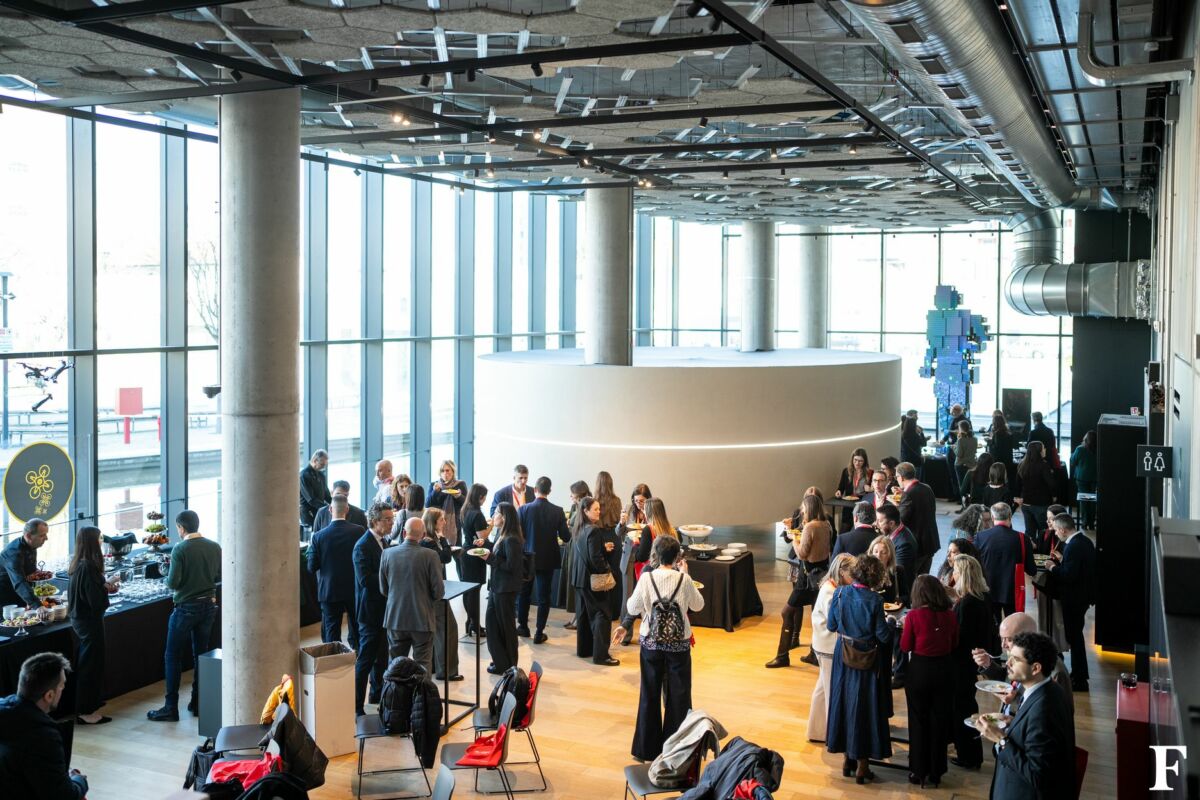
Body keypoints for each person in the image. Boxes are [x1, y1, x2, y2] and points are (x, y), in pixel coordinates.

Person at [622, 535, 704, 762]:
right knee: (679, 695)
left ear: (656, 555)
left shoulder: (647, 578)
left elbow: (632, 607)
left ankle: (646, 749)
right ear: (677, 557)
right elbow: (699, 605)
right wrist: (686, 575)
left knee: (649, 693)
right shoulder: (683, 579)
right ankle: (677, 748)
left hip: (651, 643)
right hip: (679, 645)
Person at [974, 631, 1075, 799]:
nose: (1008, 663)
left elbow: (1038, 775)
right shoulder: (1049, 689)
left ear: (1035, 668)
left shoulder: (1044, 708)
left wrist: (1001, 739)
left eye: (1016, 659)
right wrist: (1013, 722)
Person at [825, 554, 892, 785]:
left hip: (843, 656)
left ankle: (847, 760)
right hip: (866, 659)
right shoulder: (875, 600)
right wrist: (891, 624)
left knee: (844, 704)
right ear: (876, 576)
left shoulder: (839, 593)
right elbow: (883, 636)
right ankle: (863, 765)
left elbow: (832, 625)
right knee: (864, 708)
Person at [148, 510, 220, 721]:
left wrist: (164, 577)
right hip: (209, 605)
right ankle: (198, 702)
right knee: (201, 654)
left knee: (172, 656)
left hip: (186, 607)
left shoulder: (180, 549)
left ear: (181, 527)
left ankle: (171, 707)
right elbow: (218, 575)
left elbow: (173, 582)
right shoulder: (214, 546)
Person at [0, 652, 88, 798]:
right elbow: (64, 796)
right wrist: (80, 780)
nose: (63, 690)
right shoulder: (44, 736)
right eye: (62, 686)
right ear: (49, 695)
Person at [900, 574, 959, 789]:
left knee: (918, 721)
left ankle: (918, 770)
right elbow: (954, 643)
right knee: (939, 721)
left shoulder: (914, 616)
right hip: (944, 669)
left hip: (920, 671)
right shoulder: (950, 615)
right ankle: (936, 771)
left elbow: (905, 646)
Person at [766, 494, 831, 669]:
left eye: (803, 509)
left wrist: (794, 537)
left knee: (786, 613)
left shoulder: (810, 526)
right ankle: (814, 653)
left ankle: (782, 656)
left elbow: (802, 554)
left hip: (806, 577)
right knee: (817, 615)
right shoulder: (826, 525)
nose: (802, 512)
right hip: (821, 576)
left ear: (808, 509)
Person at [971, 612, 1074, 715]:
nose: (1003, 645)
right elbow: (1008, 679)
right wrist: (988, 664)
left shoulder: (1055, 672)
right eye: (1002, 638)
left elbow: (1054, 715)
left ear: (1028, 637)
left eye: (1009, 639)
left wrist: (1015, 703)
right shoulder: (1018, 653)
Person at [948, 554, 997, 769]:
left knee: (962, 708)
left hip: (961, 662)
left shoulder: (967, 604)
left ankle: (968, 755)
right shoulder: (981, 597)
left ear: (964, 574)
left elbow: (961, 637)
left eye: (956, 571)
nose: (953, 574)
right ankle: (969, 752)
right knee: (966, 704)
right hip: (970, 661)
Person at [379, 517, 445, 677]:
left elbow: (383, 589)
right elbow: (438, 592)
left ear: (403, 533)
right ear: (423, 535)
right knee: (422, 666)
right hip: (422, 620)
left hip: (395, 619)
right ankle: (421, 694)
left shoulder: (387, 554)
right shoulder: (431, 555)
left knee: (395, 666)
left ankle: (394, 694)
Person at [68, 526, 115, 725]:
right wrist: (107, 587)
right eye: (99, 538)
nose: (102, 541)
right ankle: (86, 711)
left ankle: (89, 703)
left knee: (88, 661)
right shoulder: (88, 567)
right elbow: (95, 601)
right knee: (91, 664)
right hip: (89, 620)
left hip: (81, 619)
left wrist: (104, 585)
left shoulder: (79, 563)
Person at [516, 476, 571, 643]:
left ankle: (523, 627)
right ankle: (539, 632)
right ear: (550, 491)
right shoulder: (558, 511)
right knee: (544, 597)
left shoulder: (523, 509)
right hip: (548, 558)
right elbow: (566, 537)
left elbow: (518, 535)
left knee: (524, 593)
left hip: (527, 556)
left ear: (535, 490)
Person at [807, 553, 856, 743]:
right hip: (827, 646)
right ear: (842, 572)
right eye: (852, 573)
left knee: (822, 689)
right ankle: (833, 735)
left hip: (824, 644)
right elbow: (835, 620)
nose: (855, 577)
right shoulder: (830, 591)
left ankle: (817, 731)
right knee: (830, 691)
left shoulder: (832, 587)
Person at [1045, 513, 1097, 691]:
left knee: (1074, 638)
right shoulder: (1084, 541)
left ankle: (1080, 678)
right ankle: (1078, 675)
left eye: (1056, 530)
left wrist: (1052, 567)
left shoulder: (1073, 546)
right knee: (1075, 637)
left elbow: (1069, 575)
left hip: (1074, 599)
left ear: (1062, 529)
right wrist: (1062, 559)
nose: (1055, 534)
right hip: (1083, 597)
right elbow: (1079, 567)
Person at [307, 495, 366, 650]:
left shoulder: (318, 536)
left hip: (329, 590)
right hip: (353, 589)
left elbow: (311, 567)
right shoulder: (359, 531)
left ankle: (334, 661)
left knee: (332, 631)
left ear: (330, 509)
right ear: (347, 509)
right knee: (357, 628)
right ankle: (358, 659)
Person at [353, 503, 394, 716]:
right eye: (387, 519)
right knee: (366, 661)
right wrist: (390, 577)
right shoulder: (362, 546)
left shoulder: (384, 542)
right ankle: (356, 706)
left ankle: (376, 697)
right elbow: (365, 580)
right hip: (370, 612)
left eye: (392, 518)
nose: (392, 522)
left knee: (382, 659)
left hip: (384, 610)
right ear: (375, 521)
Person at [571, 497, 621, 666]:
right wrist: (607, 571)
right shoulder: (593, 530)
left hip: (579, 579)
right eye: (595, 509)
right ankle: (601, 656)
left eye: (599, 509)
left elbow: (587, 553)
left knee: (584, 615)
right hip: (592, 580)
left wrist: (602, 548)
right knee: (603, 614)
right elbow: (595, 559)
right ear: (585, 511)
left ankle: (584, 650)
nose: (599, 512)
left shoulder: (579, 528)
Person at [617, 493, 667, 647]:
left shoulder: (649, 528)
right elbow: (618, 532)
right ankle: (656, 635)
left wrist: (637, 542)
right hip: (653, 567)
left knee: (639, 600)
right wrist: (622, 523)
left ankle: (644, 635)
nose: (639, 504)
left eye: (642, 502)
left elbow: (642, 554)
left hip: (646, 567)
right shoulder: (669, 528)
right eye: (636, 500)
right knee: (636, 600)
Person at [975, 503, 1036, 623]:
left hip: (988, 590)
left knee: (991, 626)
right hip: (1012, 592)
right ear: (1010, 516)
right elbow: (1031, 570)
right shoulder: (1022, 538)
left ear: (992, 517)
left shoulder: (980, 537)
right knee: (1013, 627)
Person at [483, 502, 524, 674]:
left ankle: (510, 666)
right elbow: (499, 554)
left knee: (506, 627)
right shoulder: (501, 534)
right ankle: (500, 662)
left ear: (505, 517)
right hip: (497, 587)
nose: (494, 516)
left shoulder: (512, 538)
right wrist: (485, 545)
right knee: (492, 625)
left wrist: (490, 558)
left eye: (497, 513)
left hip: (505, 589)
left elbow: (512, 566)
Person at [419, 508, 460, 681]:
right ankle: (447, 671)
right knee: (448, 629)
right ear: (433, 522)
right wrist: (443, 537)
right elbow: (445, 557)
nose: (444, 521)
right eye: (441, 519)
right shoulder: (428, 542)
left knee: (437, 630)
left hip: (430, 591)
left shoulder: (427, 539)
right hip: (435, 593)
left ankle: (437, 667)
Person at [459, 483, 491, 639]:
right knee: (474, 592)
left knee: (468, 591)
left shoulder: (465, 510)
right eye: (484, 497)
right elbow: (482, 537)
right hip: (475, 554)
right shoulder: (478, 514)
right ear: (480, 497)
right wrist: (491, 525)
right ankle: (475, 625)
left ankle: (470, 622)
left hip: (465, 552)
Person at [896, 461, 939, 576]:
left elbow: (901, 520)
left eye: (897, 477)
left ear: (901, 477)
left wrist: (897, 506)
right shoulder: (927, 488)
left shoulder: (908, 494)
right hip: (930, 542)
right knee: (924, 578)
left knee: (911, 579)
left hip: (917, 545)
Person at [1, 517, 50, 608]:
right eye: (42, 535)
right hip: (6, 596)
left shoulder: (31, 544)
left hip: (22, 593)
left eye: (46, 534)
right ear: (28, 536)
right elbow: (19, 582)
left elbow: (28, 569)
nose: (46, 538)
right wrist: (37, 605)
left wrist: (37, 572)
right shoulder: (13, 552)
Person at [561, 479, 591, 629]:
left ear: (579, 494)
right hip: (572, 546)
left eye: (572, 494)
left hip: (579, 547)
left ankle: (579, 618)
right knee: (572, 582)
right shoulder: (575, 506)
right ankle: (575, 616)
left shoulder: (586, 507)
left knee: (579, 582)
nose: (571, 496)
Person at [1014, 441, 1056, 545]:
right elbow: (1051, 484)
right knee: (1044, 531)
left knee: (1029, 531)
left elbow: (1017, 484)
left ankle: (1029, 551)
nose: (1045, 450)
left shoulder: (1022, 464)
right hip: (1041, 504)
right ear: (1039, 451)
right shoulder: (1044, 465)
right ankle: (1042, 551)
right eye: (1043, 448)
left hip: (1026, 504)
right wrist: (1054, 495)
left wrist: (1017, 497)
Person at [873, 504, 916, 604]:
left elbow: (896, 573)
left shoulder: (904, 544)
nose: (876, 524)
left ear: (891, 523)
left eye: (880, 521)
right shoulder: (896, 532)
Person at [427, 459, 468, 547]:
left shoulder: (460, 484)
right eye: (442, 471)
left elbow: (467, 504)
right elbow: (427, 504)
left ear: (453, 471)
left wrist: (458, 496)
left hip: (455, 523)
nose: (445, 473)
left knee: (456, 550)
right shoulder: (434, 485)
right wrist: (435, 492)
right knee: (438, 550)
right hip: (436, 523)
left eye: (447, 470)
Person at [299, 449, 331, 538]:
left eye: (325, 465)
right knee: (310, 536)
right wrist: (326, 508)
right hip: (308, 512)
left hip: (319, 510)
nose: (323, 467)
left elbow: (326, 495)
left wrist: (335, 504)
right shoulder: (303, 475)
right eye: (322, 464)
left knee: (320, 534)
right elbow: (310, 499)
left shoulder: (321, 475)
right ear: (315, 460)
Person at [1070, 430, 1097, 529]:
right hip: (1095, 478)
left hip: (1081, 478)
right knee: (1093, 500)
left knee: (1084, 500)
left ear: (1086, 438)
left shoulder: (1080, 449)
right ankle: (1091, 523)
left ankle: (1084, 523)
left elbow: (1073, 461)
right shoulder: (1099, 448)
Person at [987, 411, 1017, 488]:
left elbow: (995, 449)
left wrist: (989, 443)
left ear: (995, 423)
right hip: (1008, 460)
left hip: (999, 460)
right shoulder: (1008, 433)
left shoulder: (997, 434)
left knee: (999, 479)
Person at [953, 420, 979, 508]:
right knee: (969, 486)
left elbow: (959, 454)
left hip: (960, 464)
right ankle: (969, 505)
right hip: (971, 464)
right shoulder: (975, 439)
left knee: (962, 486)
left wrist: (954, 448)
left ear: (961, 428)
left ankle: (964, 506)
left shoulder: (961, 440)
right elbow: (974, 451)